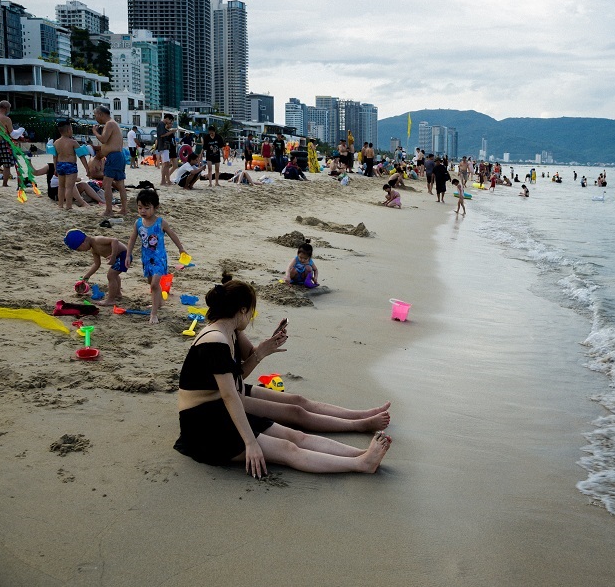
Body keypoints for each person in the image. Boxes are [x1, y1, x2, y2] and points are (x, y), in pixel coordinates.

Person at [174, 277, 392, 477]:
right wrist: (250, 443)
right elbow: (230, 394)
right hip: (202, 427)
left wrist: (264, 349)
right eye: (251, 313)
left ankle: (360, 454)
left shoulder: (230, 331)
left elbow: (238, 376)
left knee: (296, 436)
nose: (251, 318)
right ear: (241, 310)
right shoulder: (215, 340)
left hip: (220, 409)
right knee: (288, 449)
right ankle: (361, 464)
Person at [126, 188, 187, 324]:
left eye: (147, 208)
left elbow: (172, 235)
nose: (143, 211)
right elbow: (132, 239)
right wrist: (128, 255)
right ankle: (159, 303)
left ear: (155, 208)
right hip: (146, 258)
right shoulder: (138, 223)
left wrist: (181, 249)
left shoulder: (160, 222)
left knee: (154, 284)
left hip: (159, 258)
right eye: (140, 208)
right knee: (150, 282)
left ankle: (154, 314)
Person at [64, 228, 128, 306]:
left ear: (82, 243)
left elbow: (114, 240)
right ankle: (117, 294)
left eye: (79, 249)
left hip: (124, 255)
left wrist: (113, 255)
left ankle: (110, 300)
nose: (81, 251)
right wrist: (86, 277)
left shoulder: (97, 240)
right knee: (114, 275)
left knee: (111, 275)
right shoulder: (94, 250)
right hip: (119, 257)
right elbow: (97, 264)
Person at [93, 106, 128, 217]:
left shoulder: (109, 124)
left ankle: (109, 210)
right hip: (118, 156)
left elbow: (103, 139)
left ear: (100, 114)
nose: (95, 118)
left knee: (107, 184)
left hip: (114, 157)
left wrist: (95, 132)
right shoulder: (113, 124)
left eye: (95, 115)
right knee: (120, 184)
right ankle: (124, 209)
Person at [53, 120, 81, 210]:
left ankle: (60, 205)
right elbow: (82, 156)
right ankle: (68, 206)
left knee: (61, 186)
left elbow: (55, 157)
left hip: (60, 165)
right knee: (69, 187)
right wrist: (87, 168)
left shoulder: (56, 143)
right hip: (70, 165)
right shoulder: (73, 142)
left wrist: (55, 167)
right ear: (69, 130)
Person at [156, 113, 177, 186]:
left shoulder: (162, 125)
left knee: (167, 164)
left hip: (165, 147)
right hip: (163, 146)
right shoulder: (161, 124)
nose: (170, 122)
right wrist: (171, 132)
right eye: (170, 120)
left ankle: (166, 180)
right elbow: (161, 135)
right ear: (167, 119)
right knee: (166, 164)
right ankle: (163, 181)